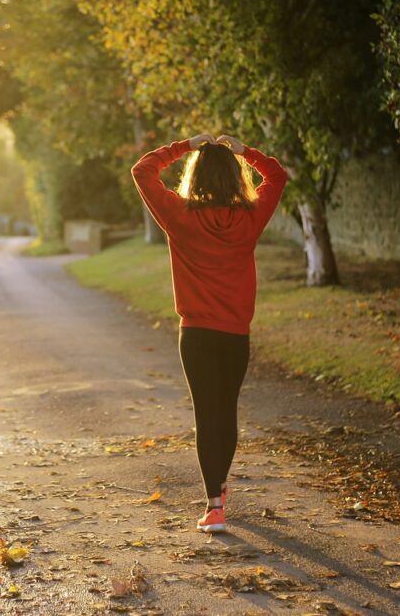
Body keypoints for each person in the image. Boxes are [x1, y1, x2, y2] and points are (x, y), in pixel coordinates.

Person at [131, 132, 287, 533]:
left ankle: (214, 505)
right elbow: (278, 175)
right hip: (235, 334)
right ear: (235, 178)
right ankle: (218, 490)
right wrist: (244, 151)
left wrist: (185, 146)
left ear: (195, 177)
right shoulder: (250, 217)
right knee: (226, 411)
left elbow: (143, 170)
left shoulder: (179, 216)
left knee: (206, 414)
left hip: (196, 335)